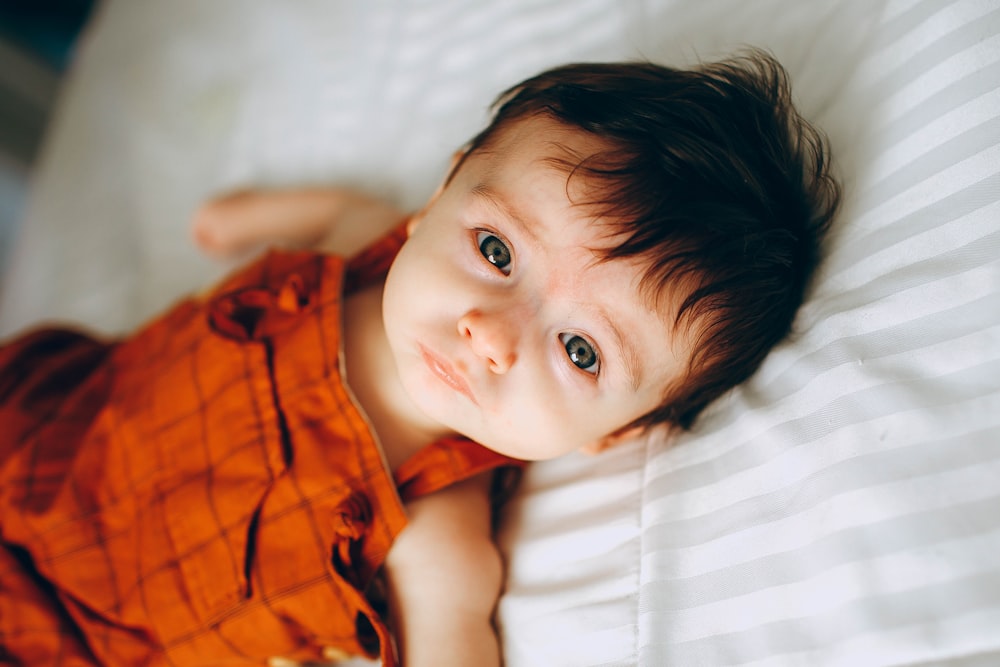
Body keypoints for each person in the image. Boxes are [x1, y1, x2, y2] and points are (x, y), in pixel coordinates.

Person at [0, 49, 839, 667]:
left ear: (617, 433)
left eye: (580, 349)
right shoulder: (371, 245)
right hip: (38, 417)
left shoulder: (434, 535)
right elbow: (353, 207)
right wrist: (254, 216)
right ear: (438, 199)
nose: (493, 331)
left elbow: (451, 646)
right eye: (498, 252)